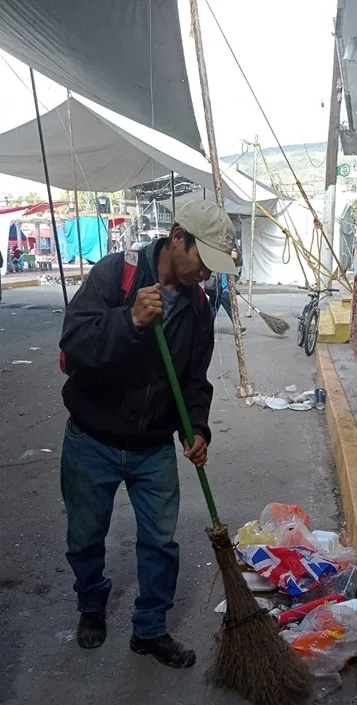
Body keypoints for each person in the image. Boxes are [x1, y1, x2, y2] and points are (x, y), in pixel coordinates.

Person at [59, 197, 238, 667]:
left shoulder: (200, 308)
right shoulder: (116, 273)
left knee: (160, 541)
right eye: (203, 261)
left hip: (152, 445)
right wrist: (130, 320)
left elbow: (194, 381)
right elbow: (75, 342)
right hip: (92, 437)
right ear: (178, 238)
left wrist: (196, 428)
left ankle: (150, 628)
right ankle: (92, 606)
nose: (206, 275)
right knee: (85, 535)